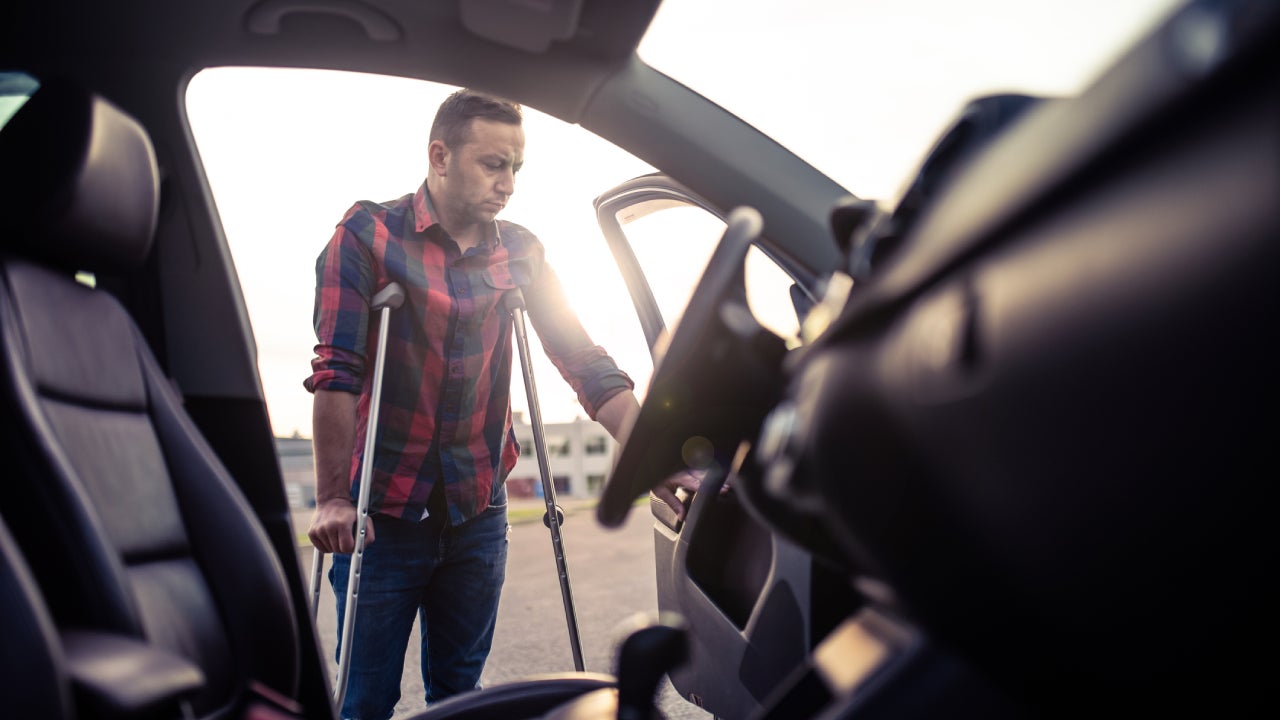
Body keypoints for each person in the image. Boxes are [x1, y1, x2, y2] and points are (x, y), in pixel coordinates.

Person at [304, 88, 644, 719]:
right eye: (494, 164)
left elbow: (583, 360)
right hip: (380, 516)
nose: (509, 182)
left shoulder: (522, 251)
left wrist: (656, 456)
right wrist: (331, 497)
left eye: (517, 167)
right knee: (365, 699)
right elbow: (337, 371)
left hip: (476, 512)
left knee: (462, 695)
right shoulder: (366, 234)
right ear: (440, 155)